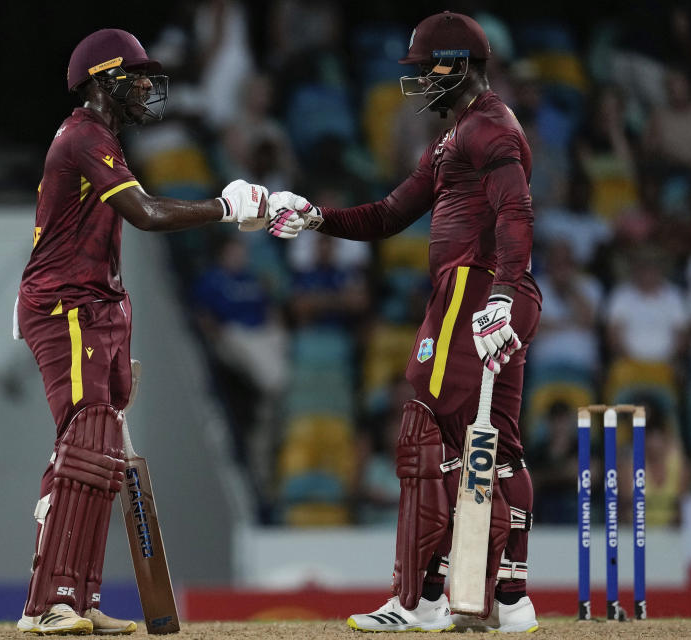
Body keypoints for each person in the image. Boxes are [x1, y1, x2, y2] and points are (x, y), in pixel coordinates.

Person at [267, 11, 541, 633]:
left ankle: (420, 600)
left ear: (459, 67)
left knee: (425, 431)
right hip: (497, 290)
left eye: (426, 69)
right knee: (498, 446)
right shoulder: (459, 137)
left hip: (474, 289)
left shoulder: (488, 128)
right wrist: (315, 218)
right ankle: (508, 597)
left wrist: (496, 294)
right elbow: (388, 215)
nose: (418, 83)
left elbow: (516, 211)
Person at [12, 28, 270, 635]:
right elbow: (147, 214)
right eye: (135, 75)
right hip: (66, 308)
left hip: (92, 307)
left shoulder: (98, 138)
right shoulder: (83, 137)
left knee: (93, 451)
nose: (148, 86)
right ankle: (50, 604)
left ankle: (74, 598)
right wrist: (224, 209)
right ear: (102, 81)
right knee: (86, 441)